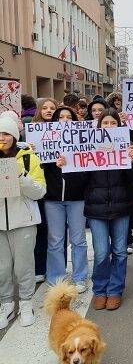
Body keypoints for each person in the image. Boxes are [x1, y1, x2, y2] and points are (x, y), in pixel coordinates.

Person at [58, 109, 133, 311]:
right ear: (99, 126)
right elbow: (79, 181)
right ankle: (100, 289)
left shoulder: (126, 148)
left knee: (120, 251)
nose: (109, 127)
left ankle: (115, 290)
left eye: (113, 123)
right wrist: (66, 167)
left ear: (119, 127)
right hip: (96, 209)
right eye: (105, 123)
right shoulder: (89, 148)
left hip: (121, 207)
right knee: (102, 252)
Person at [0, 117, 46, 328]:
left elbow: (40, 192)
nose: (2, 138)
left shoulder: (28, 158)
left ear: (14, 136)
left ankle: (26, 303)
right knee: (2, 268)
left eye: (6, 134)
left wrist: (21, 176)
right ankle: (6, 304)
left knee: (24, 266)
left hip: (24, 221)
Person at [43, 107, 89, 292]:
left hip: (77, 198)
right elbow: (38, 167)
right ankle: (56, 277)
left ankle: (80, 277)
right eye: (60, 117)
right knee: (55, 240)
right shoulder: (44, 142)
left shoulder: (82, 141)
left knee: (78, 239)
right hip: (53, 199)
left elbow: (89, 166)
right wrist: (52, 164)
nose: (64, 120)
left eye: (69, 117)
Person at [31, 98, 59, 283]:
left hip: (56, 188)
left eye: (52, 108)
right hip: (39, 188)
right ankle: (39, 268)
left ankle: (57, 268)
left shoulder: (62, 130)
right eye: (45, 108)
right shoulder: (31, 132)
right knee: (41, 230)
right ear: (39, 110)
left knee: (56, 232)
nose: (48, 110)